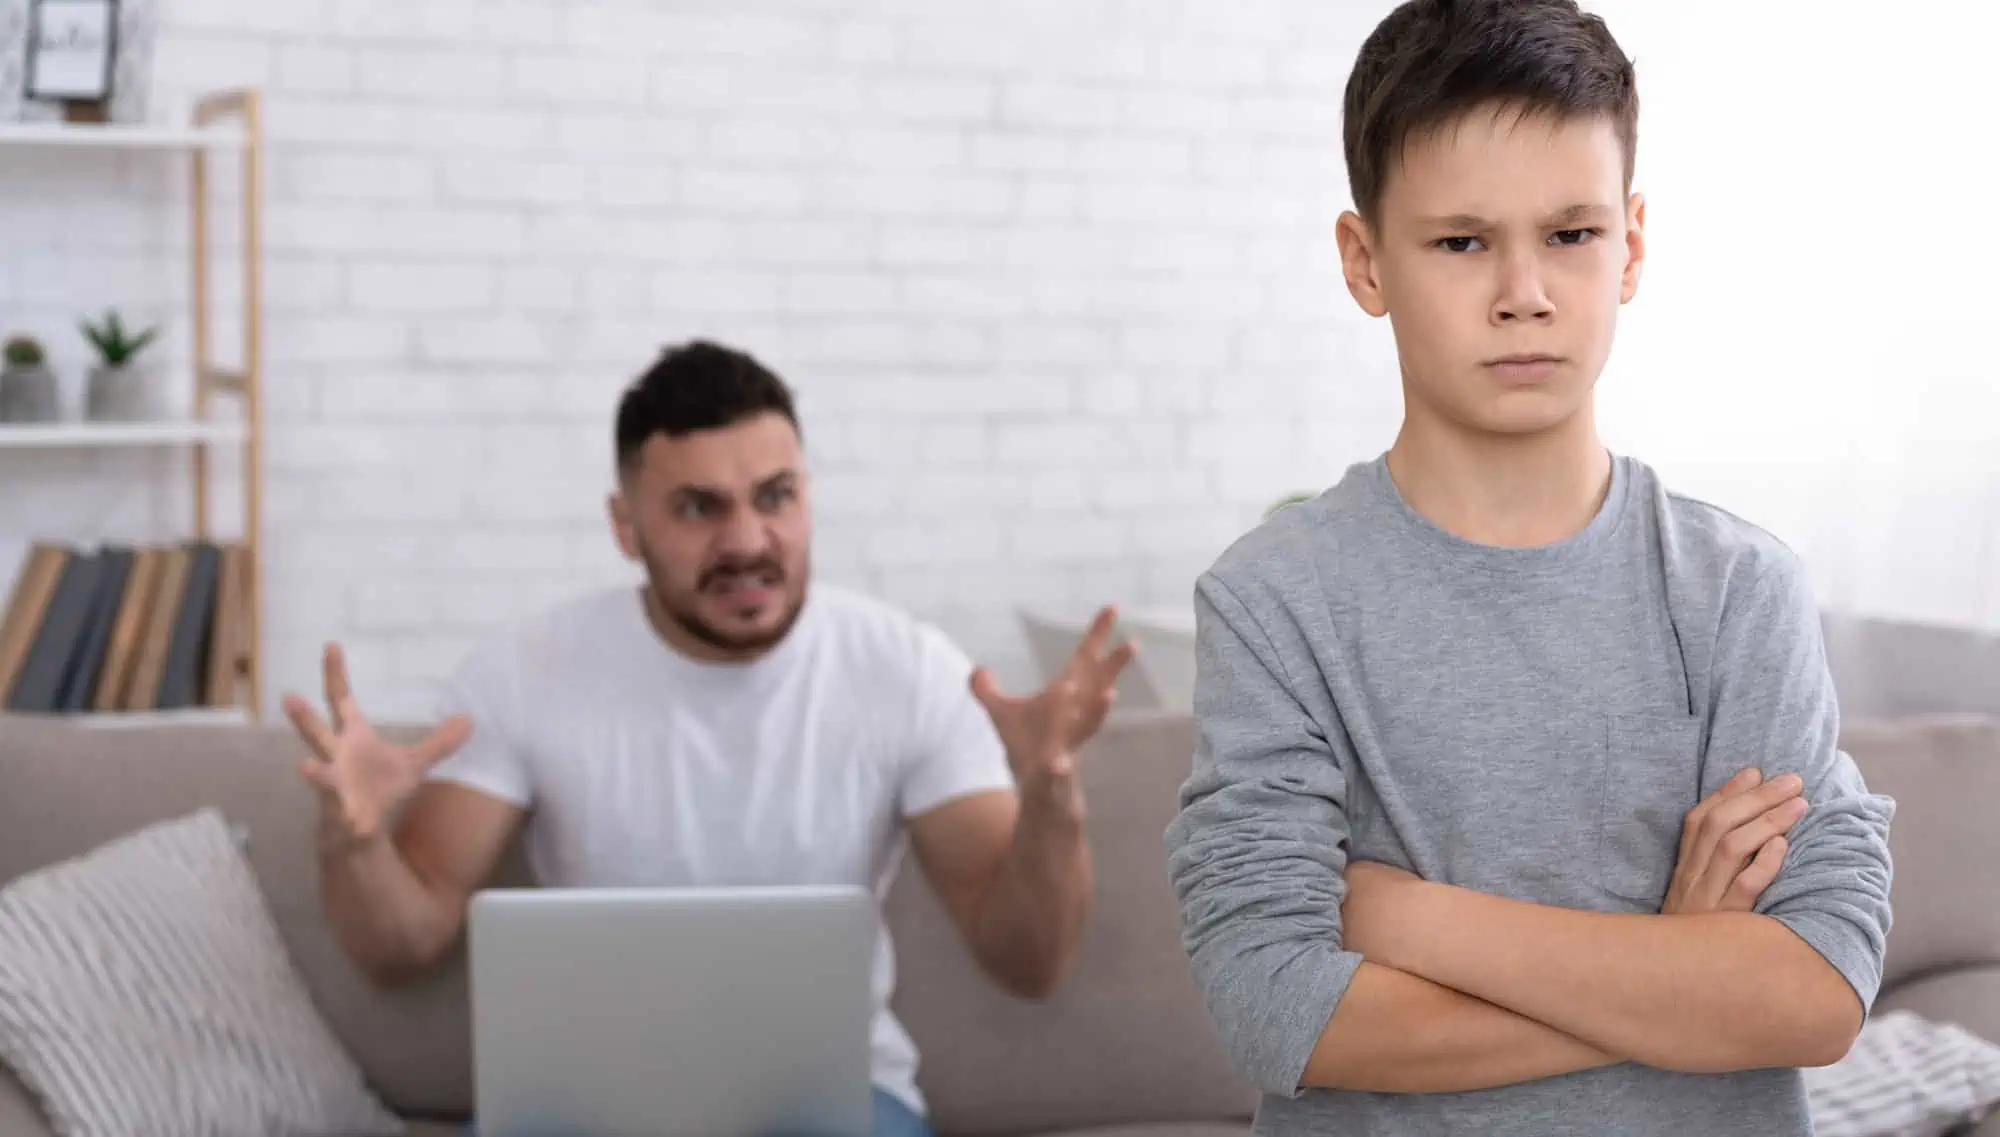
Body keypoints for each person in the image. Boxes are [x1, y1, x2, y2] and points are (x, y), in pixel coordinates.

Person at [1163, 1, 1895, 1134]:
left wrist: (1409, 920)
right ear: (1364, 262)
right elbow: (1276, 1009)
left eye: (1571, 234)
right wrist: (1679, 965)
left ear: (1631, 246)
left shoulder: (1740, 591)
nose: (1525, 292)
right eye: (1461, 242)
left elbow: (1815, 990)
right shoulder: (1273, 601)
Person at [284, 340, 1136, 1137]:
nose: (746, 541)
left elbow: (1028, 964)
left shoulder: (910, 672)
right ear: (626, 526)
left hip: (834, 1104)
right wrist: (353, 840)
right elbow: (402, 950)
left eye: (776, 496)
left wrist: (1050, 797)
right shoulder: (521, 673)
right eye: (698, 507)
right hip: (581, 1107)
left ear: (808, 496)